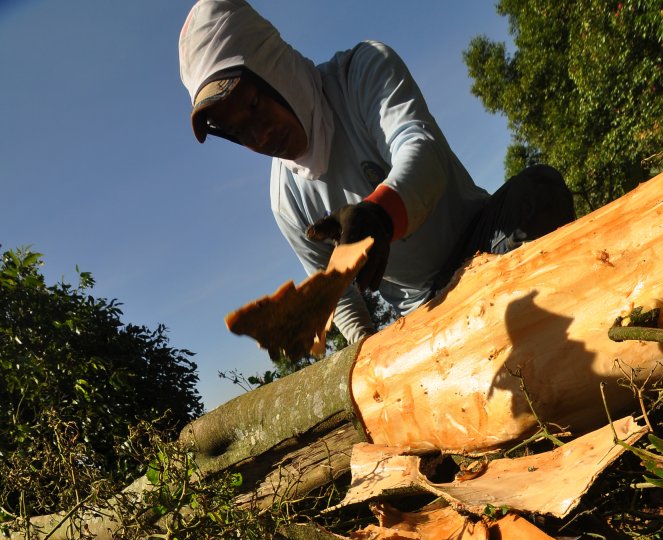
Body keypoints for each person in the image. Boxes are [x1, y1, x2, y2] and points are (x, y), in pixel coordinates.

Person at [179, 0, 575, 344]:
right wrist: (373, 356)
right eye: (238, 130)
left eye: (252, 106)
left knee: (538, 190)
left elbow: (422, 150)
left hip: (488, 240)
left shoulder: (362, 72)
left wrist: (381, 215)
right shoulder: (286, 199)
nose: (259, 134)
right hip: (426, 309)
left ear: (274, 68)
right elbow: (336, 295)